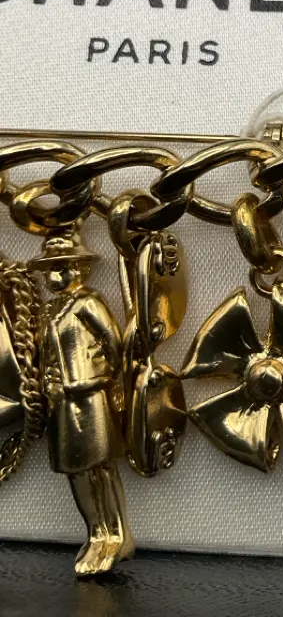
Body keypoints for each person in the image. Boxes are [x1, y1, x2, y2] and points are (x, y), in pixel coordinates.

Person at [31, 232, 133, 576]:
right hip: (60, 401)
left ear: (79, 269)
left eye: (60, 267)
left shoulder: (88, 302)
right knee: (75, 470)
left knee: (101, 467)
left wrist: (113, 383)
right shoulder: (49, 310)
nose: (53, 275)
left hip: (91, 395)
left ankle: (117, 536)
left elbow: (112, 341)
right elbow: (44, 354)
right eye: (49, 269)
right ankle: (95, 533)